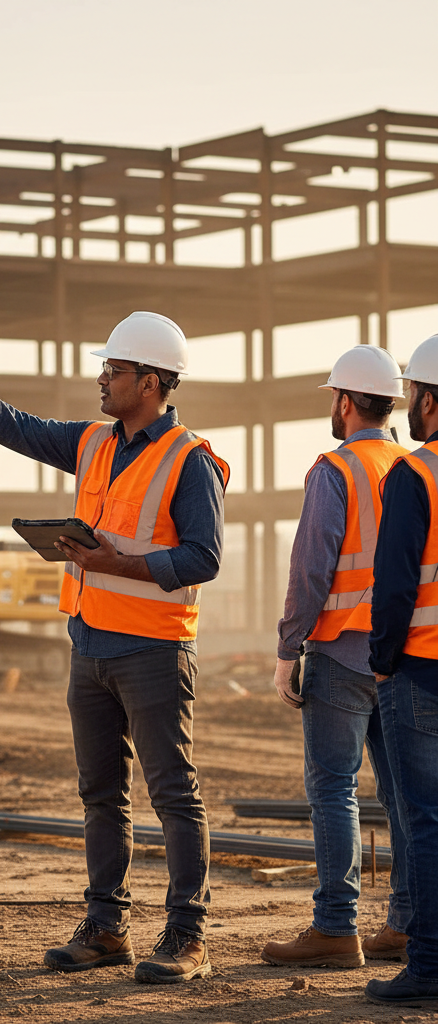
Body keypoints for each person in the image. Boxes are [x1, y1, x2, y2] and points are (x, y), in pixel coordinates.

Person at [0, 312, 228, 985]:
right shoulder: (94, 444)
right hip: (91, 647)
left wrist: (110, 563)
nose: (102, 379)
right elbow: (11, 424)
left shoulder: (189, 460)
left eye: (115, 369)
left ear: (151, 382)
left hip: (155, 651)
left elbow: (203, 557)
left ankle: (188, 936)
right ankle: (106, 928)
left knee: (173, 795)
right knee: (101, 794)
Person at [262, 346, 409, 969]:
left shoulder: (335, 470)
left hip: (341, 654)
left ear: (346, 403)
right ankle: (409, 922)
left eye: (332, 397)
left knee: (333, 789)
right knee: (405, 794)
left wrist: (287, 648)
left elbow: (311, 569)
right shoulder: (415, 465)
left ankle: (335, 927)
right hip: (405, 658)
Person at [366, 333, 438, 1007]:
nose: (408, 403)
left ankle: (429, 968)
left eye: (414, 391)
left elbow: (394, 587)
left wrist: (382, 665)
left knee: (424, 824)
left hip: (421, 669)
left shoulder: (417, 474)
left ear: (430, 399)